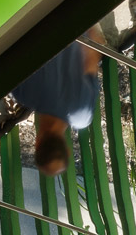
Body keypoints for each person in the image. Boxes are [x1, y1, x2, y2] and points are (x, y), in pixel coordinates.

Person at [10, 29, 105, 177]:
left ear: (67, 150)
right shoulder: (23, 93)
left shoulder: (83, 116)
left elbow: (92, 57)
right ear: (37, 144)